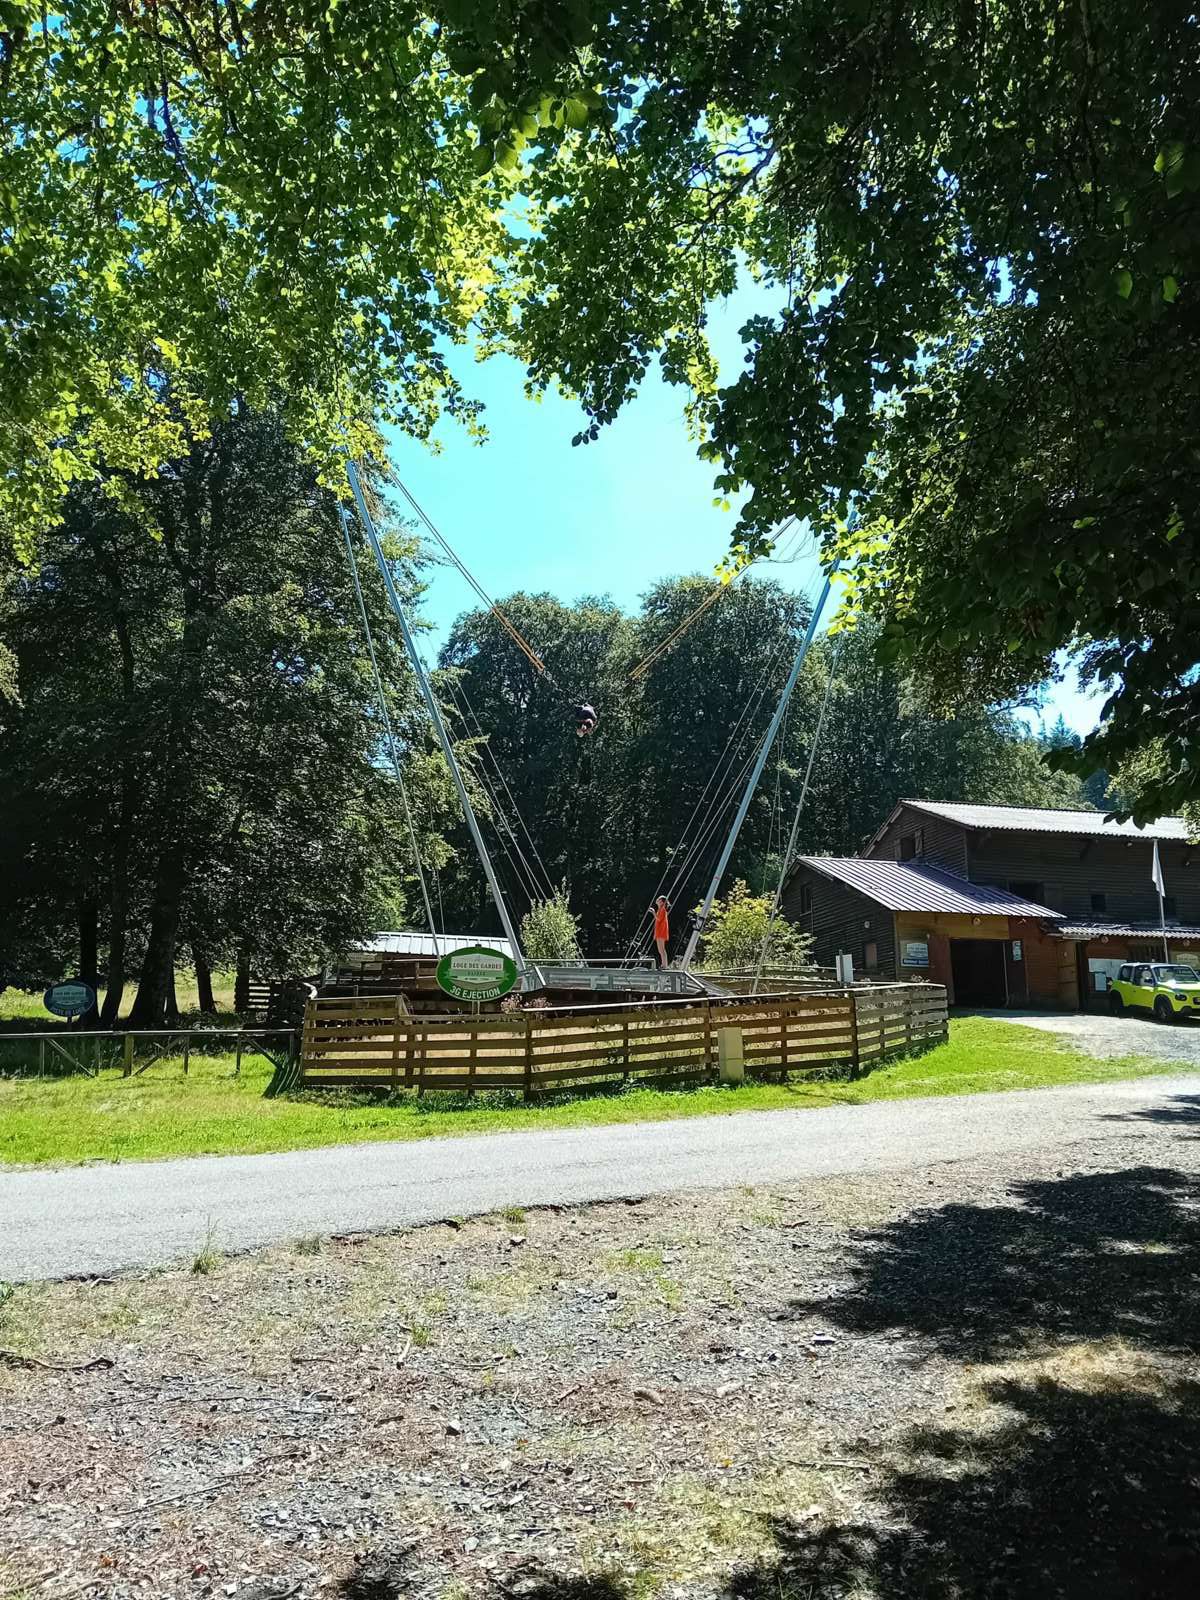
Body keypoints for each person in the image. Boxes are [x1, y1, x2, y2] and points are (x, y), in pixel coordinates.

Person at [651, 895, 671, 968]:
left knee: (662, 949)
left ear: (662, 902)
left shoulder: (662, 909)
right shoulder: (660, 909)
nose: (657, 900)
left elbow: (658, 919)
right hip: (660, 932)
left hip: (661, 932)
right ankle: (664, 964)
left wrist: (653, 912)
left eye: (658, 899)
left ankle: (665, 965)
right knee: (661, 950)